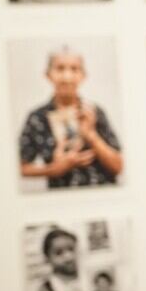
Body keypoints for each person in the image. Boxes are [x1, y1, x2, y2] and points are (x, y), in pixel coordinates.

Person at [19, 48, 123, 189]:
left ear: (83, 75)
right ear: (48, 74)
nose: (67, 77)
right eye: (60, 68)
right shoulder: (37, 118)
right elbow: (20, 167)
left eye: (74, 69)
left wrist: (91, 135)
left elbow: (118, 166)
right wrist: (53, 170)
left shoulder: (94, 112)